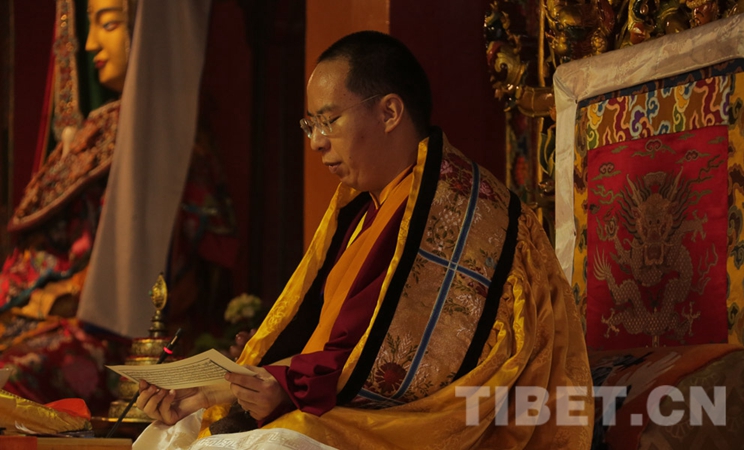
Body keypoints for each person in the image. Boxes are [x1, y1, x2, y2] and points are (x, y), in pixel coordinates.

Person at [134, 30, 593, 449]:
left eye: (328, 120)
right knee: (171, 432)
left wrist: (281, 384)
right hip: (339, 404)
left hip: (438, 420)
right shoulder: (365, 210)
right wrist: (216, 388)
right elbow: (340, 346)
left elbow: (412, 364)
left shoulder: (458, 211)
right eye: (309, 125)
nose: (316, 142)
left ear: (389, 112)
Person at [0, 0, 234, 414]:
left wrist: (78, 298)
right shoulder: (97, 129)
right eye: (91, 27)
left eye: (108, 25)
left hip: (115, 330)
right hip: (42, 315)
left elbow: (190, 272)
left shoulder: (180, 143)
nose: (91, 44)